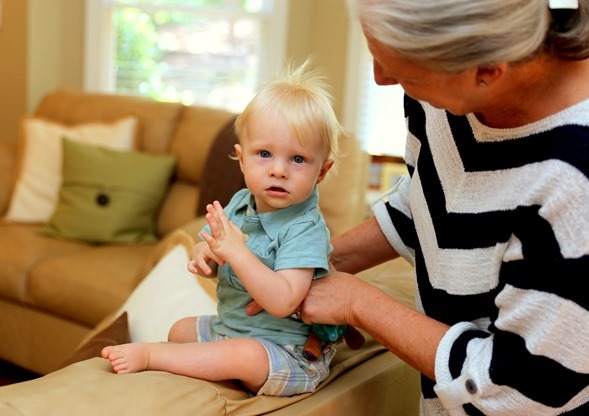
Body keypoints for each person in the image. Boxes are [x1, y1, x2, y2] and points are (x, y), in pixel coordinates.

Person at [285, 0, 589, 414]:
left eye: (403, 71)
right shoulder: (441, 95)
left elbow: (517, 390)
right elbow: (434, 194)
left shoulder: (577, 183)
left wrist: (360, 303)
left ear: (486, 71)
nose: (380, 78)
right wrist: (308, 262)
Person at [101, 60, 343, 397]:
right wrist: (207, 256)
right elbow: (217, 249)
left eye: (297, 159)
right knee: (181, 329)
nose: (278, 170)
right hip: (230, 329)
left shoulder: (305, 228)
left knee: (243, 356)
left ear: (322, 171)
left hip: (285, 351)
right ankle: (211, 365)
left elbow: (284, 300)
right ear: (241, 159)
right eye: (264, 154)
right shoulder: (241, 202)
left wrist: (238, 253)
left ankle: (153, 355)